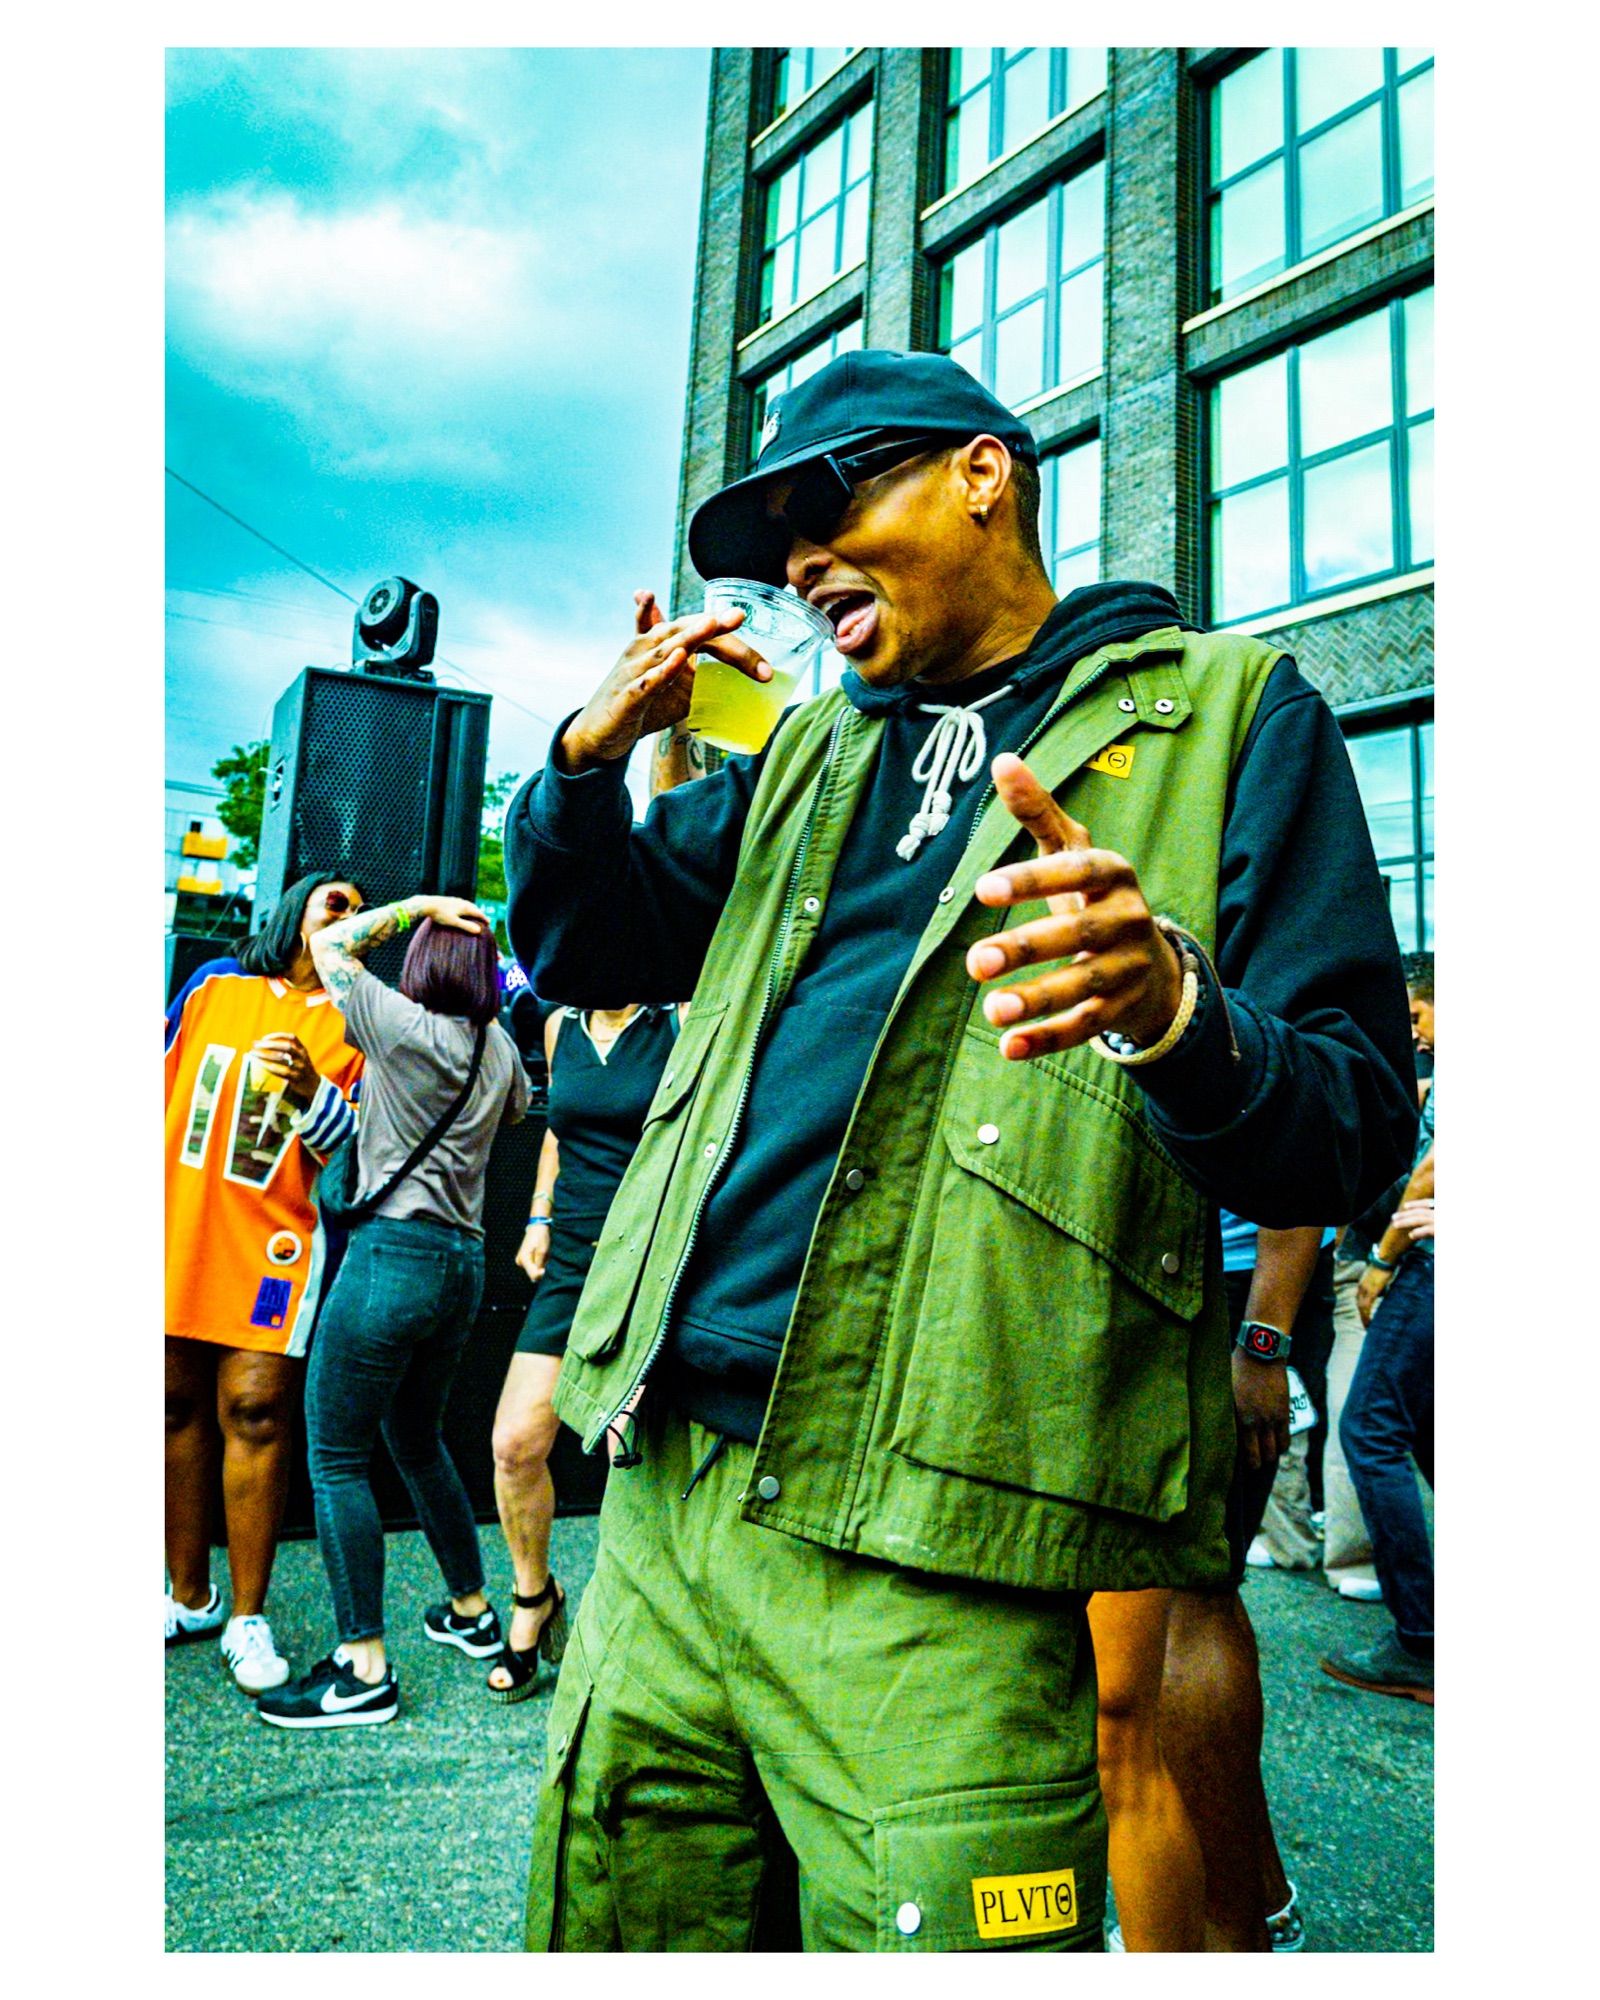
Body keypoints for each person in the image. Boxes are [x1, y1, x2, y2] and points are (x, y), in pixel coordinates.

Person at [506, 348, 1419, 1952]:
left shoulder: (1227, 718)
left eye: (826, 502)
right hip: (662, 1503)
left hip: (950, 1535)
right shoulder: (803, 752)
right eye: (771, 541)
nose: (794, 563)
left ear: (985, 475)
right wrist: (579, 774)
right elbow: (586, 948)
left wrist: (1176, 1012)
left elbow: (1348, 1128)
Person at [255, 894, 529, 1730]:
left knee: (335, 1455)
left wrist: (415, 906)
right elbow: (516, 1113)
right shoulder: (500, 1052)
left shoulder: (400, 1025)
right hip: (461, 1266)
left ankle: (361, 1667)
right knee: (417, 1439)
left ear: (420, 967)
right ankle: (472, 1609)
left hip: (391, 1258)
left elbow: (330, 942)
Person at [164, 873, 366, 1693]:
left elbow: (352, 1153)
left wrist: (309, 1091)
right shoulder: (215, 987)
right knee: (171, 1406)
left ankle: (247, 1615)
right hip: (175, 1226)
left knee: (253, 1412)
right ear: (296, 910)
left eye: (362, 913)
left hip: (275, 1243)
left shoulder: (360, 1025)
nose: (350, 918)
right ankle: (187, 1595)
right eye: (336, 902)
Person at [487, 998, 683, 1701]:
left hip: (645, 1257)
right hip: (570, 1259)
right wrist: (538, 1215)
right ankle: (534, 1596)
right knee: (514, 1444)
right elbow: (557, 1133)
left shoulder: (679, 1018)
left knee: (627, 1456)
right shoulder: (558, 1025)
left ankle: (630, 1631)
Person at [1321, 954, 1436, 1706]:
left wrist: (1382, 1261)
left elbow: (1435, 1173)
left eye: (1419, 1013)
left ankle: (1422, 1641)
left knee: (1368, 1429)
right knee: (1426, 1433)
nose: (1414, 1028)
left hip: (1431, 1261)